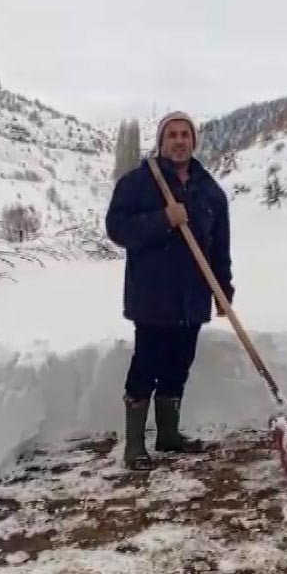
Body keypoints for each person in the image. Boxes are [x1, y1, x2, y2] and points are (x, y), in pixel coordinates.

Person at [105, 111, 234, 470]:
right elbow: (117, 229)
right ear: (162, 142)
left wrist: (223, 292)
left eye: (185, 135)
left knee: (179, 366)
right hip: (152, 295)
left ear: (194, 142)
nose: (179, 141)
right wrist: (164, 219)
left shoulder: (210, 191)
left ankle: (168, 435)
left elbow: (219, 248)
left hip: (192, 296)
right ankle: (134, 446)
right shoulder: (139, 183)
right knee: (146, 364)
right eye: (172, 135)